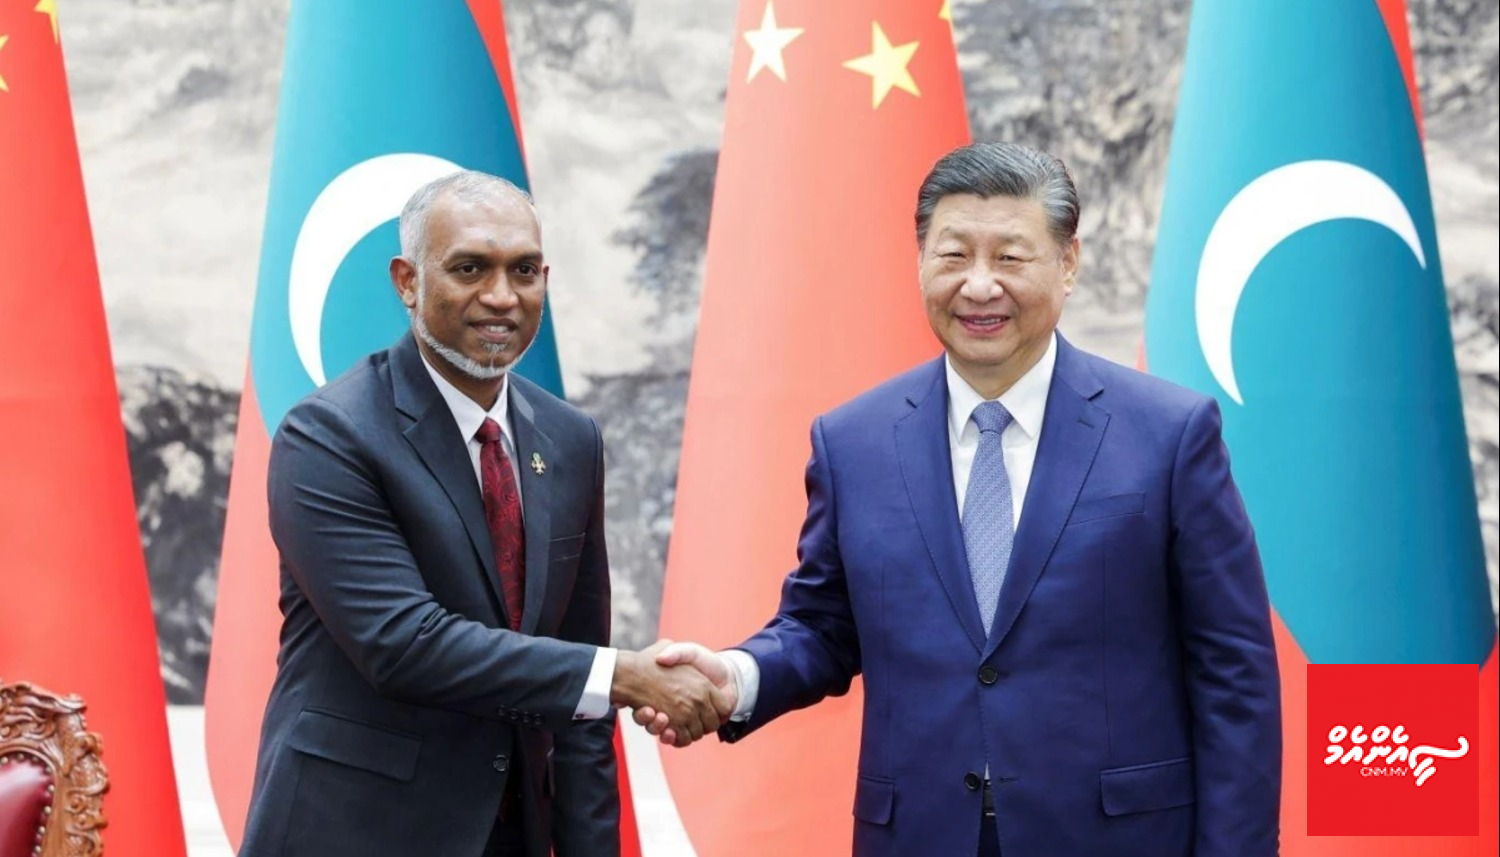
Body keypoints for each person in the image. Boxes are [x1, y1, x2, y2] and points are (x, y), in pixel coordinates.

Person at [637, 142, 1282, 856]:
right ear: (921, 261)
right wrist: (737, 678)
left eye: (1009, 257)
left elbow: (1235, 674)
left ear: (1068, 263)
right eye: (953, 256)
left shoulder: (1168, 435)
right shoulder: (853, 442)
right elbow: (823, 626)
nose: (979, 286)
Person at [240, 170, 727, 857]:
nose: (501, 296)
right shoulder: (329, 435)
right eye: (470, 268)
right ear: (408, 281)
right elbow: (404, 644)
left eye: (523, 270)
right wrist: (621, 674)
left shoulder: (570, 438)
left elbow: (580, 690)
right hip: (355, 830)